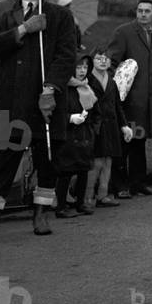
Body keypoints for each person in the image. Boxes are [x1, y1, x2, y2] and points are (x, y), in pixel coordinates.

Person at [0, 0, 77, 240]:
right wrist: (22, 30)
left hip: (44, 103)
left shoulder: (60, 16)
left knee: (47, 159)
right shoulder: (4, 13)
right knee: (4, 159)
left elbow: (66, 56)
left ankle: (41, 212)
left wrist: (51, 89)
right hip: (11, 101)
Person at [107, 0, 152, 197]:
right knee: (125, 141)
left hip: (148, 100)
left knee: (140, 142)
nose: (143, 14)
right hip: (129, 99)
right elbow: (112, 62)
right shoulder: (124, 32)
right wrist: (117, 91)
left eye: (147, 11)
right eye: (140, 10)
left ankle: (138, 183)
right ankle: (120, 186)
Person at [86, 46, 131, 208]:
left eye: (106, 58)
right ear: (92, 61)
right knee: (96, 162)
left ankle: (103, 195)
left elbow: (117, 106)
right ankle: (87, 196)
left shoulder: (112, 82)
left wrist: (124, 125)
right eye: (99, 58)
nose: (103, 61)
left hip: (111, 126)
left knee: (108, 161)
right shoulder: (88, 80)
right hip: (95, 126)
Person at [55, 54, 98, 217]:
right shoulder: (63, 88)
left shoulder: (87, 87)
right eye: (79, 67)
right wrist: (70, 119)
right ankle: (60, 206)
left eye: (85, 67)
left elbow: (95, 110)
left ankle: (80, 203)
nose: (82, 71)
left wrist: (92, 126)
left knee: (83, 170)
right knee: (65, 171)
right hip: (68, 134)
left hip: (85, 134)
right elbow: (57, 113)